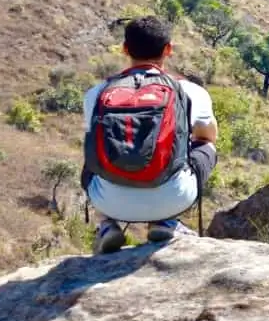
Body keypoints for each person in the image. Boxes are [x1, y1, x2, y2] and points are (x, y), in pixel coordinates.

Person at [81, 16, 218, 254]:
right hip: (174, 197)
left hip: (108, 201)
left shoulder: (97, 93)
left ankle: (105, 225)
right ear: (168, 49)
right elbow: (207, 136)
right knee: (206, 145)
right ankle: (165, 222)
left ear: (125, 49)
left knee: (92, 153)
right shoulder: (190, 91)